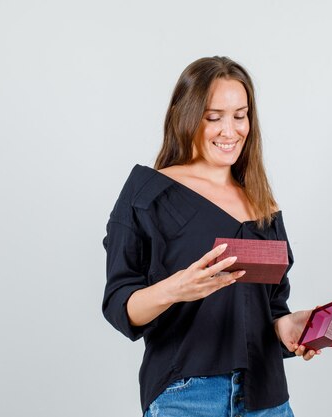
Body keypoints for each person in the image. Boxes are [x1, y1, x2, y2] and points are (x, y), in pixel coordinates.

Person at [102, 56, 320, 417]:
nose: (230, 130)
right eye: (214, 116)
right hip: (186, 397)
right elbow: (119, 306)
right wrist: (176, 288)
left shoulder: (262, 203)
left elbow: (269, 308)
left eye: (240, 115)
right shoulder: (149, 193)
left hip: (266, 399)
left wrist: (289, 326)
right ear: (185, 116)